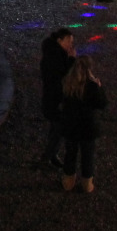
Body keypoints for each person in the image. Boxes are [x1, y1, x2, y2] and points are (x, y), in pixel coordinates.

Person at [59, 57, 107, 193]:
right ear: (89, 69)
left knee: (70, 154)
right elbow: (102, 104)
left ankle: (68, 181)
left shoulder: (67, 83)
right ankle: (87, 184)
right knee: (88, 156)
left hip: (71, 126)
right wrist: (99, 87)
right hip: (88, 127)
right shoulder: (92, 86)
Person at [39, 29, 76, 169]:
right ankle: (47, 157)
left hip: (52, 97)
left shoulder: (53, 53)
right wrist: (71, 59)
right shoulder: (55, 57)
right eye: (69, 41)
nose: (71, 45)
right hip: (55, 99)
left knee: (56, 129)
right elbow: (64, 76)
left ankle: (51, 155)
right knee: (58, 129)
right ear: (59, 40)